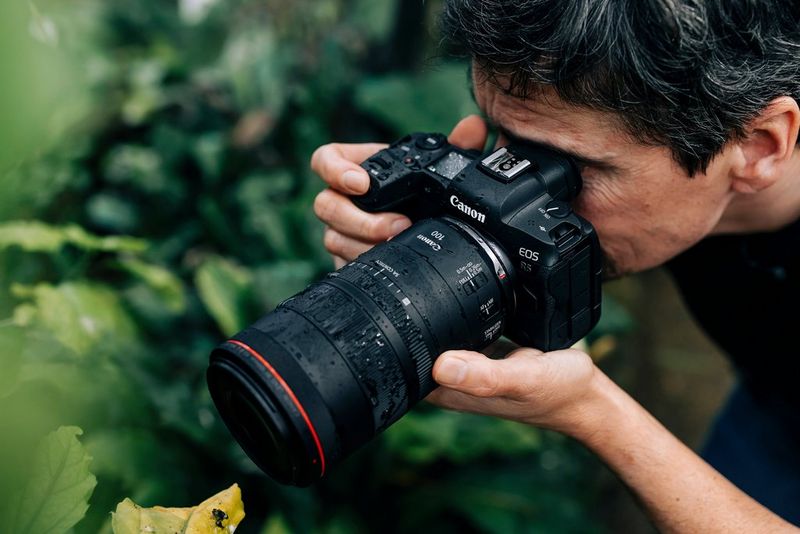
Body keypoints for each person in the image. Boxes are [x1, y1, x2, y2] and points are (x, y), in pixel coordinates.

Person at [310, 1, 800, 531]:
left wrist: (596, 413)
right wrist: (420, 228)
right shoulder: (682, 162)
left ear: (757, 147)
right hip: (769, 396)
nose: (509, 189)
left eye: (565, 170)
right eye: (502, 141)